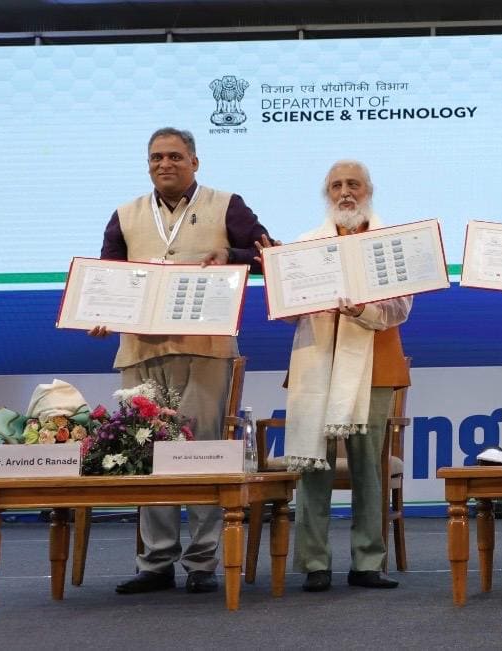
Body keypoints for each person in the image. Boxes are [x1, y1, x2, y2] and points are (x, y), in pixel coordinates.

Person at [94, 127, 271, 594]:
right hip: (141, 348)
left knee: (202, 451)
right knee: (146, 451)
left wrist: (230, 253)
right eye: (156, 157)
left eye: (174, 156)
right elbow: (108, 277)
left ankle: (202, 562)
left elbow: (269, 255)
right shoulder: (125, 215)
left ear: (195, 161)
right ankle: (155, 563)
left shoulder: (227, 205)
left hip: (206, 347)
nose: (164, 164)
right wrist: (100, 313)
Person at [279, 161, 410, 592]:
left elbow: (401, 308)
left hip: (374, 368)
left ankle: (367, 562)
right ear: (327, 194)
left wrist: (362, 310)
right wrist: (284, 279)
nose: (345, 192)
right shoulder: (306, 245)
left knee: (367, 468)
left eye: (353, 184)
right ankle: (315, 563)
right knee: (312, 466)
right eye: (336, 185)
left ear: (369, 191)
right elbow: (288, 310)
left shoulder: (389, 242)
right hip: (315, 365)